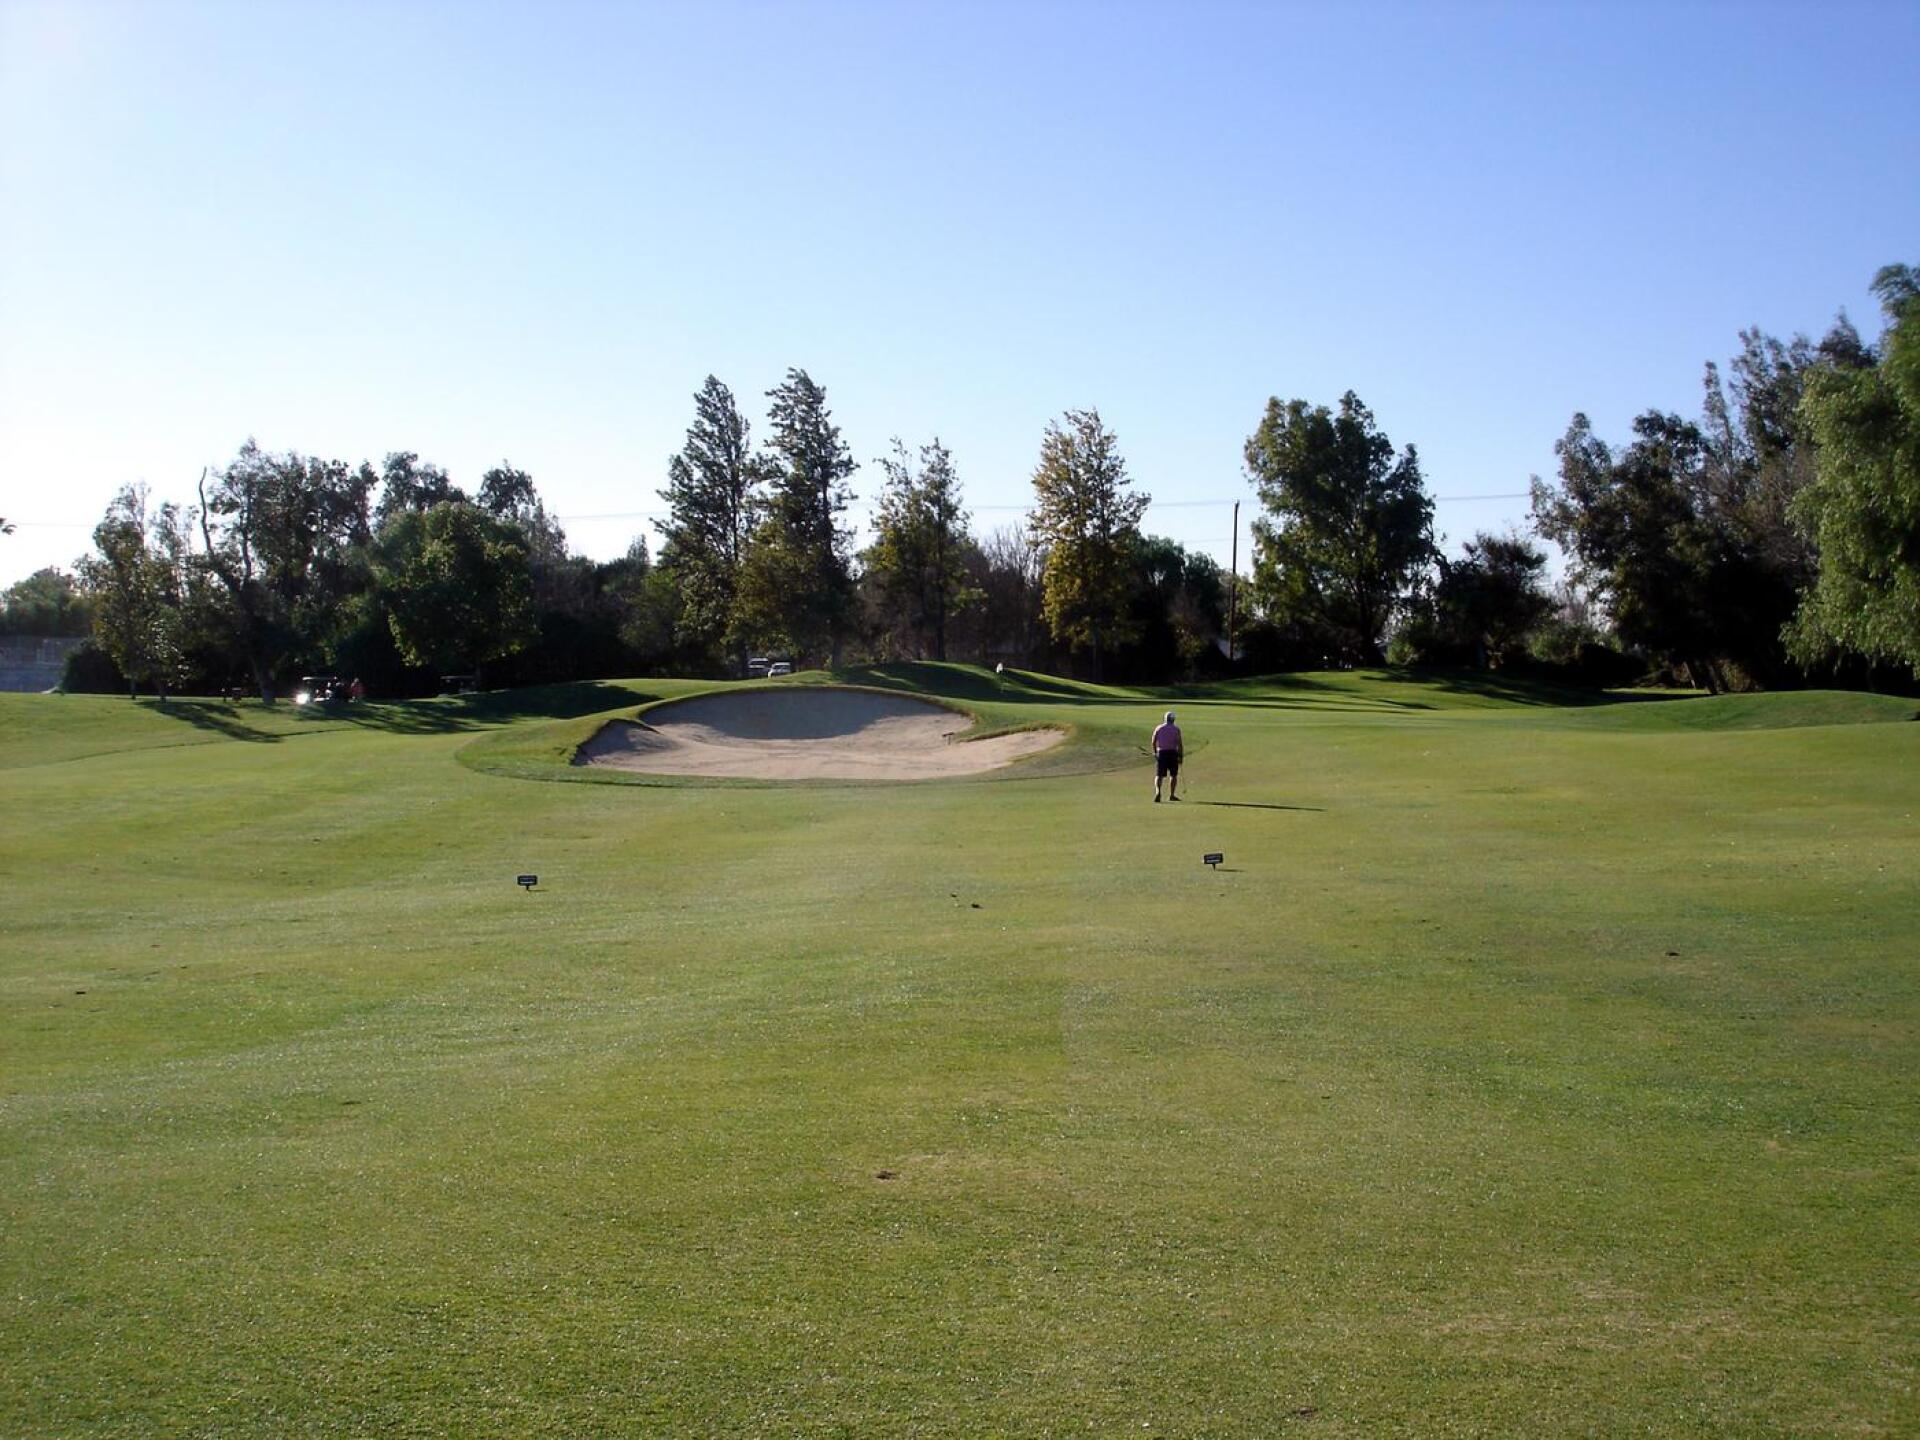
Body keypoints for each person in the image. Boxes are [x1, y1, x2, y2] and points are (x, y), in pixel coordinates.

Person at [1151, 709, 1183, 802]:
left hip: (1161, 753)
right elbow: (1179, 744)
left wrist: (1155, 753)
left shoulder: (1159, 728)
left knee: (1159, 775)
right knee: (1173, 775)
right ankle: (1172, 795)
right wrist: (1180, 756)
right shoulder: (1176, 729)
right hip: (1172, 753)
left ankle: (1158, 792)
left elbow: (1153, 741)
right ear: (1173, 719)